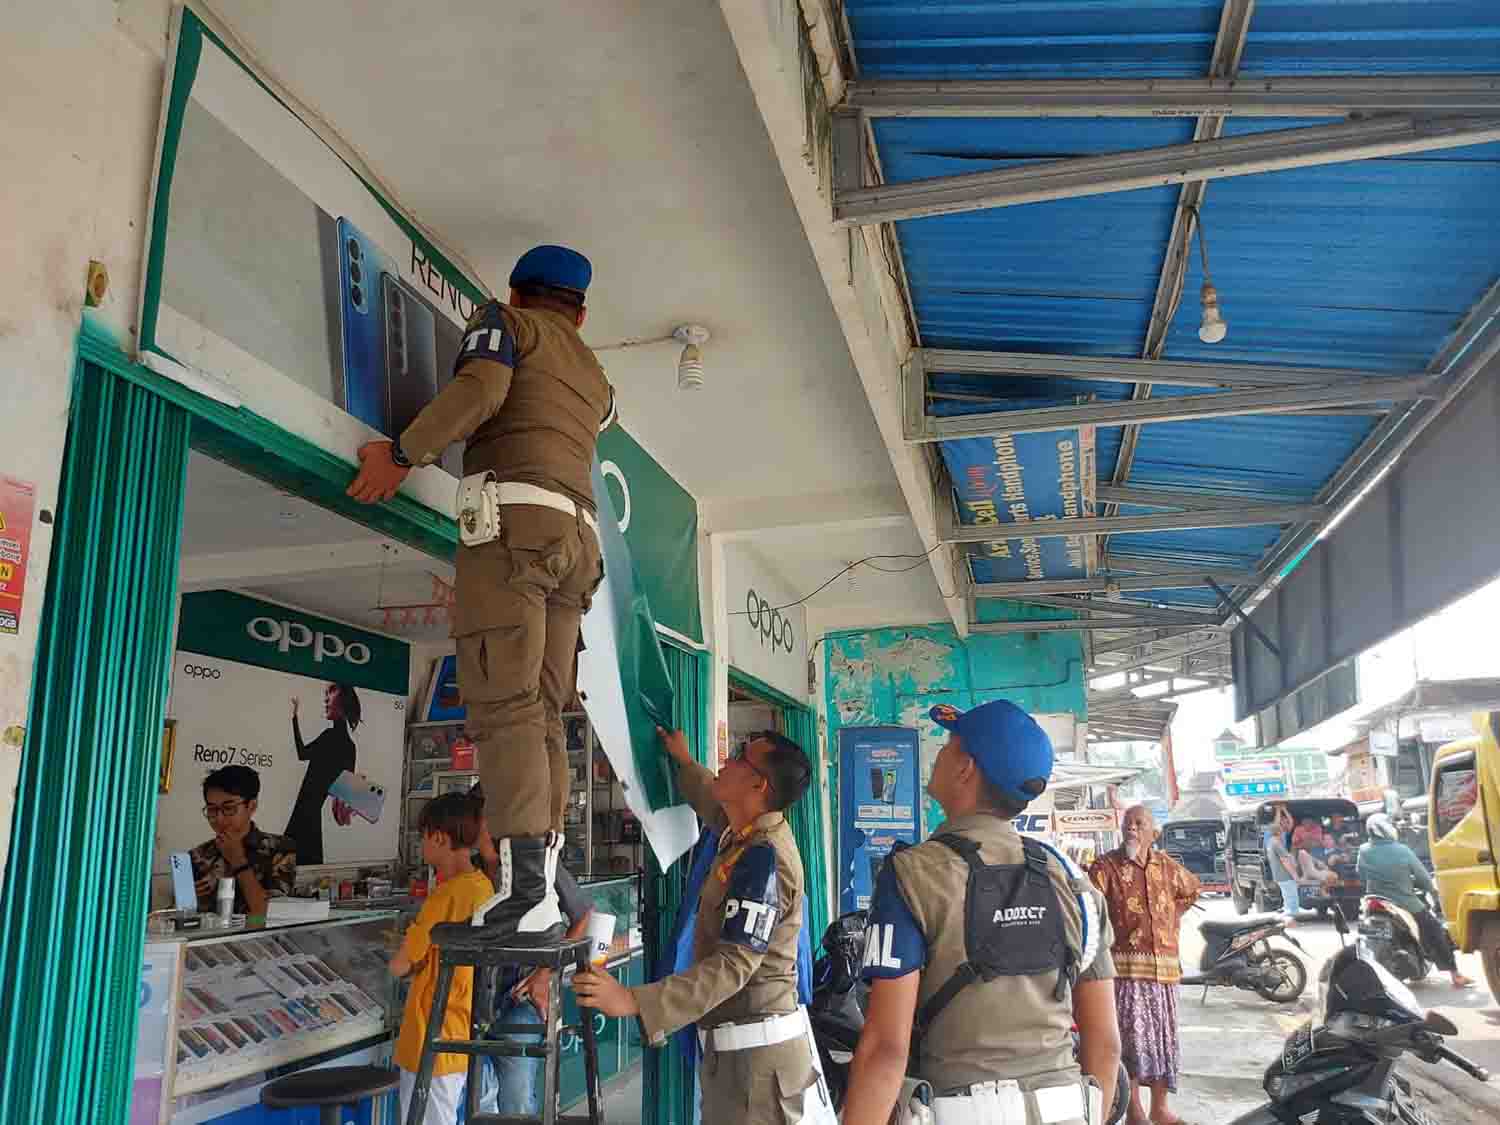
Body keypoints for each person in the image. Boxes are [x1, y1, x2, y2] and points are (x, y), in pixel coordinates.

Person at [347, 245, 617, 939]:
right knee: (546, 712)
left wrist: (402, 455)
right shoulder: (595, 373)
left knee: (505, 705)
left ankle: (526, 893)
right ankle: (544, 887)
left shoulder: (506, 322)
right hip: (578, 541)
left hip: (516, 528)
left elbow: (482, 393)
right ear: (580, 314)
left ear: (516, 293)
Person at [842, 701, 1120, 1125]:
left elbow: (885, 1048)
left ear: (965, 768)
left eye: (950, 743)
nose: (939, 752)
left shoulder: (912, 876)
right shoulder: (1076, 884)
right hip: (1068, 1110)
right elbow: (1105, 1043)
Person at [573, 727, 830, 1125]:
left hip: (755, 1074)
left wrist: (634, 1001)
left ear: (758, 785)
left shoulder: (764, 859)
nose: (727, 761)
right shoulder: (744, 828)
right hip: (736, 1060)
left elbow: (733, 966)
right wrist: (684, 760)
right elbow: (712, 800)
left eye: (741, 757)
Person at [467, 783, 595, 1117]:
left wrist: (546, 971)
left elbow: (582, 915)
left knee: (517, 1099)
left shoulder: (537, 864)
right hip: (476, 1000)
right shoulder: (472, 870)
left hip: (521, 998)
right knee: (477, 1099)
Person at [1089, 806, 1200, 1125]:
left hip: (1164, 971)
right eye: (1128, 825)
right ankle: (1134, 1111)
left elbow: (1191, 890)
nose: (1132, 830)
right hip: (1124, 972)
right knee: (1130, 1042)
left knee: (1163, 1042)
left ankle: (1160, 1109)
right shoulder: (1105, 866)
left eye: (1140, 824)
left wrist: (1171, 917)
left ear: (1154, 833)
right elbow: (1086, 906)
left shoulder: (1167, 866)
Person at [390, 793, 497, 1123]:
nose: (422, 844)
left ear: (438, 837)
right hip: (463, 1029)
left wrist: (401, 949)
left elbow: (400, 965)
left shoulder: (444, 897)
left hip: (429, 1036)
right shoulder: (483, 887)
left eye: (422, 836)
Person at [1357, 814, 1473, 988]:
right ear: (1387, 828)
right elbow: (1423, 878)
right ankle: (1455, 974)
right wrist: (1432, 892)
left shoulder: (1363, 850)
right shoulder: (1402, 850)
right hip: (1404, 902)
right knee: (1434, 930)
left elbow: (1361, 874)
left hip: (1374, 902)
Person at [190, 765, 296, 917]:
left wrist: (238, 861)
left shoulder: (280, 849)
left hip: (261, 940)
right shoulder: (197, 856)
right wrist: (189, 900)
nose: (219, 818)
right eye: (212, 809)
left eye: (229, 808)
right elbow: (181, 921)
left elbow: (270, 914)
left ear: (251, 806)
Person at [284, 683, 362, 865]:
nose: (326, 700)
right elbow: (344, 796)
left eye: (330, 695)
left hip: (305, 812)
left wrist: (294, 718)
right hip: (312, 814)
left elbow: (302, 753)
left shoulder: (329, 737)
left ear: (342, 704)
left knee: (289, 861)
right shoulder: (350, 747)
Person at [1265, 805, 1303, 916]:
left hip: (1279, 874)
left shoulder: (1271, 840)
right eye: (1282, 824)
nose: (1284, 826)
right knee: (1291, 899)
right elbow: (1285, 861)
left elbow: (1290, 823)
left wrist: (1283, 809)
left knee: (1287, 898)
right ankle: (1292, 919)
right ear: (1279, 829)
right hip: (1285, 875)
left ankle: (1288, 918)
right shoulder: (1277, 842)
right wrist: (1295, 876)